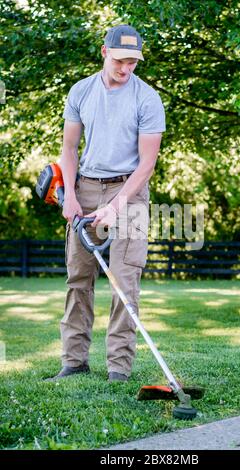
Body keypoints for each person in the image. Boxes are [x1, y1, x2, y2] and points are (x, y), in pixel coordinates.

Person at [45, 24, 165, 382]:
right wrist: (69, 195)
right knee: (78, 278)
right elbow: (69, 149)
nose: (126, 68)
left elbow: (147, 164)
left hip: (131, 193)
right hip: (85, 188)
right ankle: (74, 361)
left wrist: (116, 206)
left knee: (124, 282)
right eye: (120, 60)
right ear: (104, 53)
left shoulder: (147, 98)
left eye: (133, 62)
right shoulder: (81, 91)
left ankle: (118, 369)